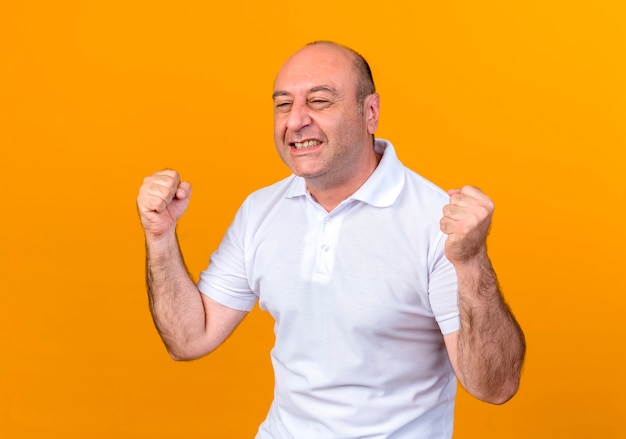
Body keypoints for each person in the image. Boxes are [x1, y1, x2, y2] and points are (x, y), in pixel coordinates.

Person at [137, 41, 525, 438]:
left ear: (369, 112)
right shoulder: (261, 211)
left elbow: (494, 387)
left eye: (320, 101)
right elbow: (189, 338)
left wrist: (472, 260)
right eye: (283, 105)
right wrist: (160, 236)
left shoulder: (435, 221)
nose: (296, 120)